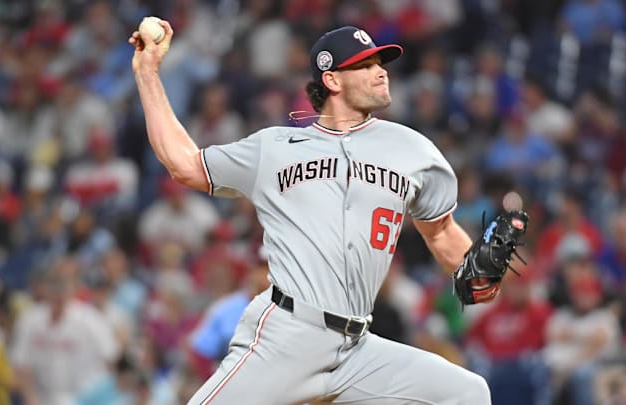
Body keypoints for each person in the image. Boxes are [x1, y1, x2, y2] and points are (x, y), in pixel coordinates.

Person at [130, 22, 499, 404]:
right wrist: (148, 73)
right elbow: (185, 165)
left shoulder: (415, 151)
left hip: (358, 349)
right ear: (333, 80)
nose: (381, 71)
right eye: (366, 65)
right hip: (288, 335)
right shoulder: (275, 147)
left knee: (466, 394)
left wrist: (478, 274)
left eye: (380, 62)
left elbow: (440, 231)